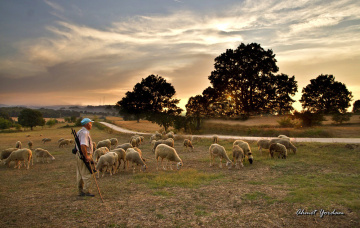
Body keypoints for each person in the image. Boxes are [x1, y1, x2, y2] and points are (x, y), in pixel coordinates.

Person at [76, 118, 95, 197]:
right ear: (87, 124)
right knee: (87, 173)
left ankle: (80, 191)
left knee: (80, 173)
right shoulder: (84, 133)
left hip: (79, 155)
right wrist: (86, 156)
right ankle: (86, 191)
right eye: (90, 123)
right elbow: (83, 145)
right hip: (84, 155)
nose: (91, 125)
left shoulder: (79, 132)